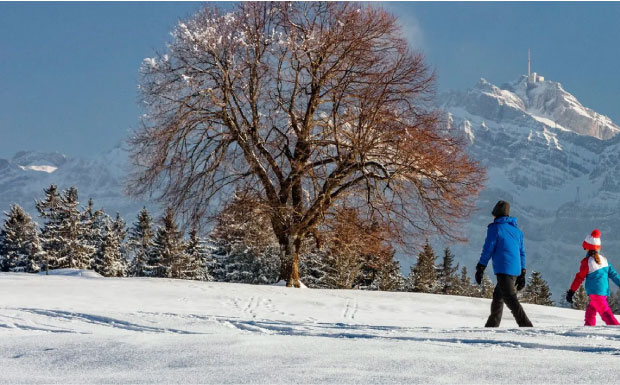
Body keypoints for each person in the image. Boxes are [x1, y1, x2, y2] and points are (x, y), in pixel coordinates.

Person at [475, 200, 533, 327]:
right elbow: (522, 252)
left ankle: (527, 326)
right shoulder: (517, 231)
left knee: (510, 298)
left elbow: (488, 248)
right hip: (516, 269)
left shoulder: (495, 228)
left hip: (504, 268)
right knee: (498, 296)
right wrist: (523, 272)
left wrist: (481, 266)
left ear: (496, 214)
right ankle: (491, 325)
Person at [566, 229, 620, 326]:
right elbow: (614, 274)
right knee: (590, 312)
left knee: (605, 313)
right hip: (603, 292)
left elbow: (579, 278)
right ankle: (588, 328)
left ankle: (616, 329)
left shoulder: (587, 262)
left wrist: (571, 291)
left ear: (587, 248)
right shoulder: (604, 260)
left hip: (596, 293)